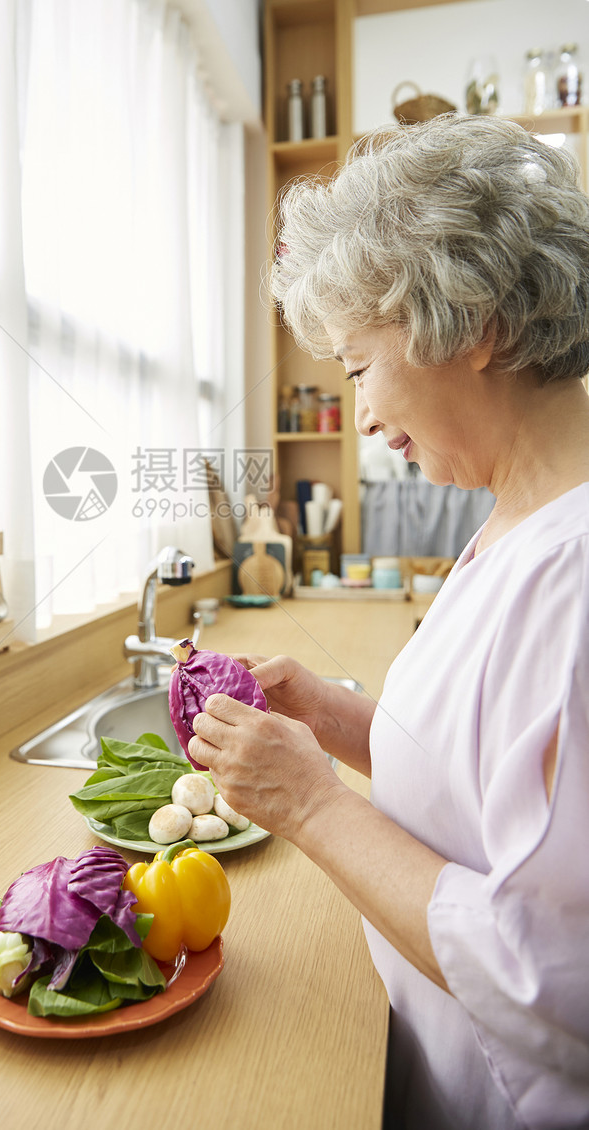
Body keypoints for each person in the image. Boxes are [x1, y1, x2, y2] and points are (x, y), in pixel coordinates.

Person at [188, 115, 589, 1130]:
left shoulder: (574, 576)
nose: (359, 416)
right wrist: (336, 720)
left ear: (473, 322)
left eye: (357, 367)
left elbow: (547, 980)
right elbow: (487, 788)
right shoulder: (514, 519)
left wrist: (313, 806)